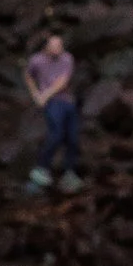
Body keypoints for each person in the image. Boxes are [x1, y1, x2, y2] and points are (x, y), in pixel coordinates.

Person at [24, 32, 81, 191]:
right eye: (55, 46)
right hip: (53, 104)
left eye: (60, 46)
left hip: (67, 101)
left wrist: (44, 95)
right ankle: (41, 168)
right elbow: (28, 75)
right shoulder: (36, 60)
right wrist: (35, 93)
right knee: (56, 134)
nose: (58, 49)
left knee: (73, 138)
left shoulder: (67, 58)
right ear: (47, 47)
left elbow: (62, 82)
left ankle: (69, 172)